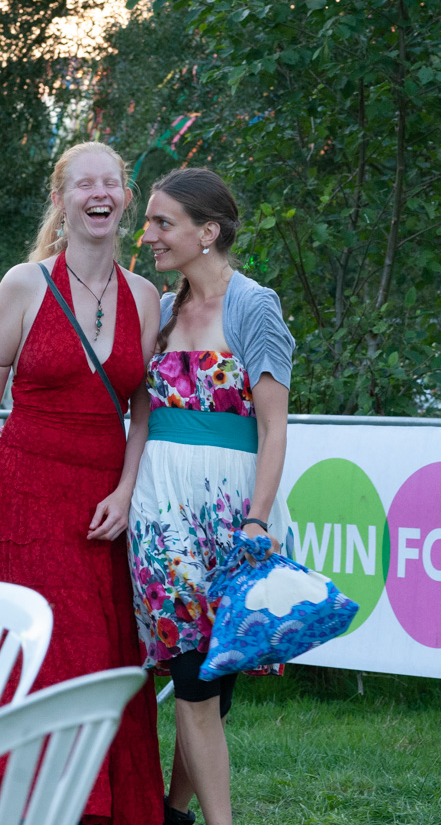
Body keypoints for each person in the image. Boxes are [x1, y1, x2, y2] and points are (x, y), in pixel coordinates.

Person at [0, 141, 164, 825]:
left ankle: (86, 806)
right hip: (25, 500)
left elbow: (143, 411)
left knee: (94, 659)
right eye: (84, 184)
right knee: (36, 651)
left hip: (100, 508)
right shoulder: (23, 284)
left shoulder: (146, 297)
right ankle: (3, 804)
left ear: (125, 197)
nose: (99, 194)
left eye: (111, 183)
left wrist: (126, 490)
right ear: (60, 199)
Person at [129, 167, 295, 825]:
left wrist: (257, 521)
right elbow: (141, 416)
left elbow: (274, 426)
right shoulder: (161, 312)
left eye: (161, 223)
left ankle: (173, 815)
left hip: (232, 517)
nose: (147, 235)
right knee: (193, 678)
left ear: (207, 231)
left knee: (211, 684)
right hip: (160, 511)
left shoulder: (254, 305)